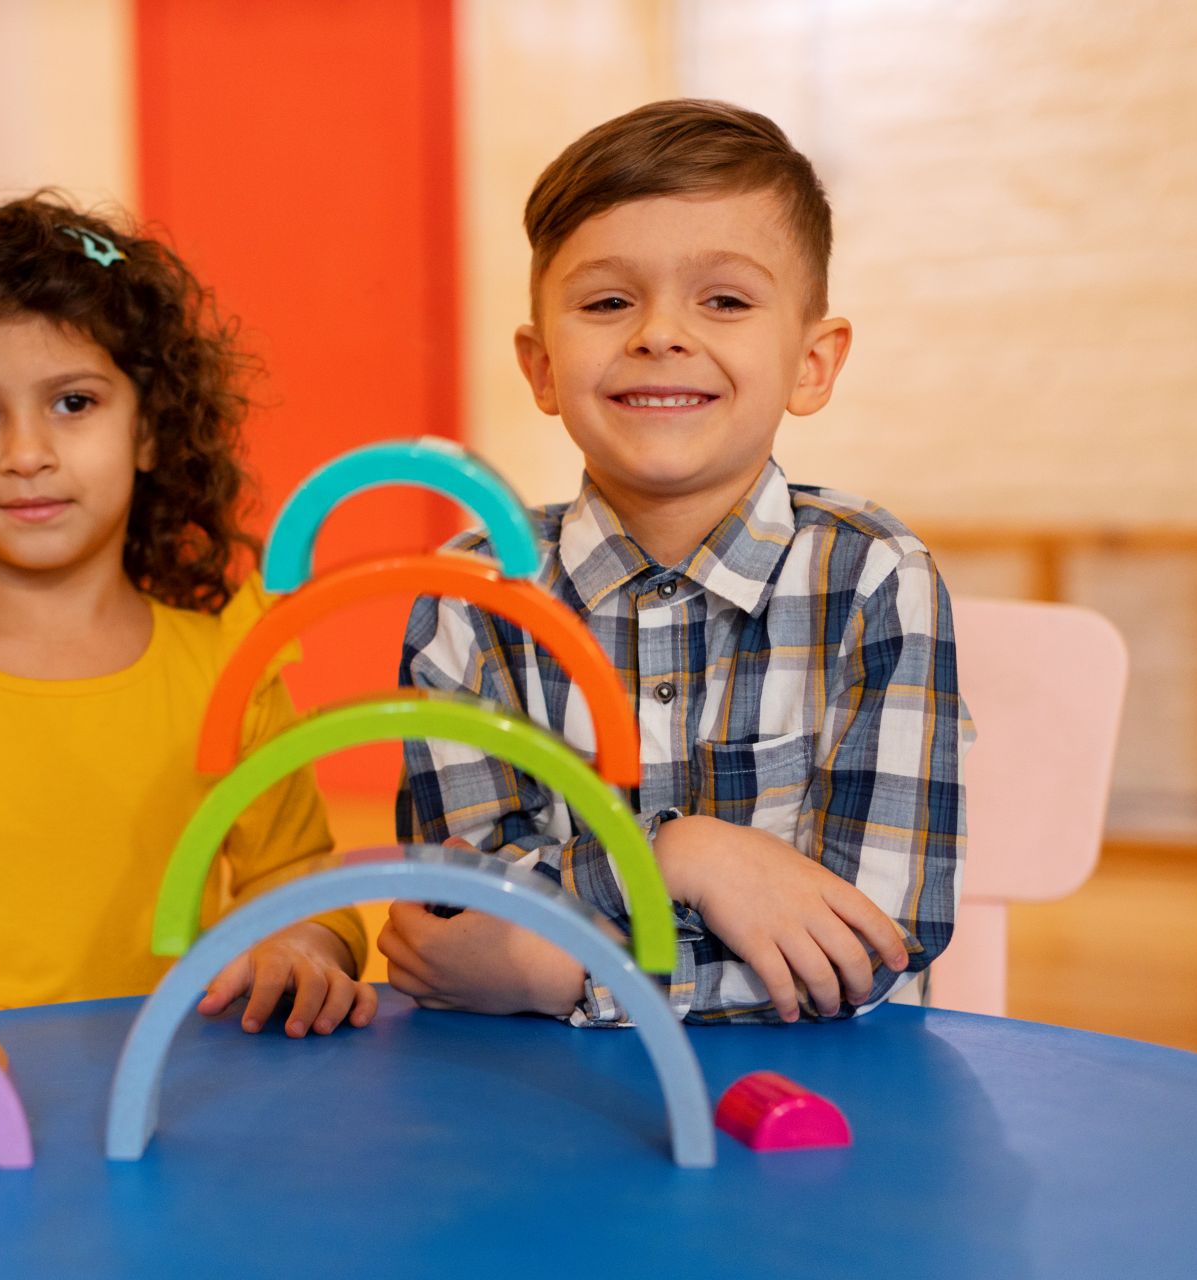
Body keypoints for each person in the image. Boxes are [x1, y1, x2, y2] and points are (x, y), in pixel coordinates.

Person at [384, 100, 970, 1025]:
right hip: (533, 1107)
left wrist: (569, 976)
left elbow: (866, 952)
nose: (660, 333)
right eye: (608, 301)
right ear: (541, 368)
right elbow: (454, 924)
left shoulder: (872, 580)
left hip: (827, 1108)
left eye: (725, 300)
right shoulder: (472, 595)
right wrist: (678, 855)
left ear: (812, 363)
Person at [0, 195, 374, 1038]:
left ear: (148, 431)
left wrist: (305, 947)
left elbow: (300, 879)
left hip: (182, 1094)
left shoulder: (229, 669)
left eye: (73, 403)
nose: (28, 454)